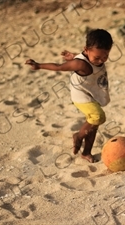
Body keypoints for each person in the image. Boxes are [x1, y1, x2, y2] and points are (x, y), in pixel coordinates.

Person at [25, 29, 113, 163]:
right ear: (86, 50)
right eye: (97, 57)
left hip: (92, 93)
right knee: (98, 117)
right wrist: (38, 65)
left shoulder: (90, 55)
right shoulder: (79, 63)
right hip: (81, 96)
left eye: (105, 57)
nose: (100, 60)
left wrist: (75, 54)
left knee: (93, 126)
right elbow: (58, 67)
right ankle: (78, 136)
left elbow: (85, 56)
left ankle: (86, 152)